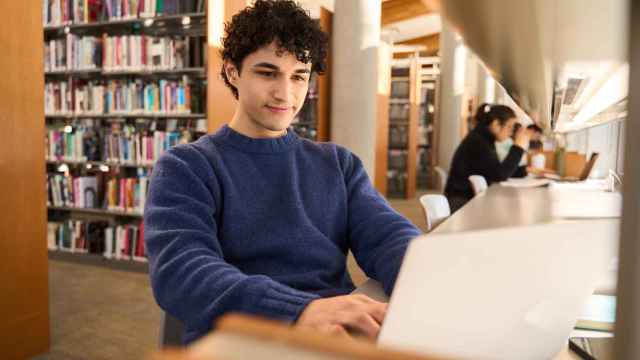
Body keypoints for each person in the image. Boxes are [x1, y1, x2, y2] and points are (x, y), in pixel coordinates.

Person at [143, 0, 421, 345]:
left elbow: (389, 235)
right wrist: (300, 311)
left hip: (332, 333)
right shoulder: (186, 166)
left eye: (299, 76)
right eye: (267, 72)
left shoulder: (337, 163)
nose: (285, 94)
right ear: (232, 72)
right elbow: (181, 272)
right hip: (240, 339)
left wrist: (424, 279)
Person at [444, 103, 530, 212]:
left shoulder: (483, 138)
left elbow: (496, 170)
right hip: (461, 202)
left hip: (466, 198)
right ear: (496, 124)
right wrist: (518, 148)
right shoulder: (479, 142)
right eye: (509, 126)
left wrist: (523, 170)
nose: (511, 132)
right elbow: (499, 174)